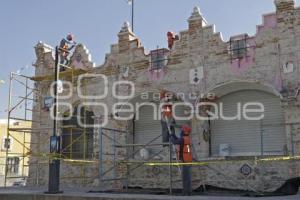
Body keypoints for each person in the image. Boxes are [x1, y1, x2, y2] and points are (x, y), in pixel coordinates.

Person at [170, 124, 193, 196]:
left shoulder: (183, 139)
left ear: (184, 131)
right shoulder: (186, 138)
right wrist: (173, 135)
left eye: (182, 130)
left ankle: (186, 192)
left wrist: (171, 136)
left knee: (185, 178)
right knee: (187, 177)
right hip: (187, 160)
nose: (181, 131)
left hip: (186, 161)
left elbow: (175, 141)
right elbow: (178, 140)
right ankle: (188, 192)